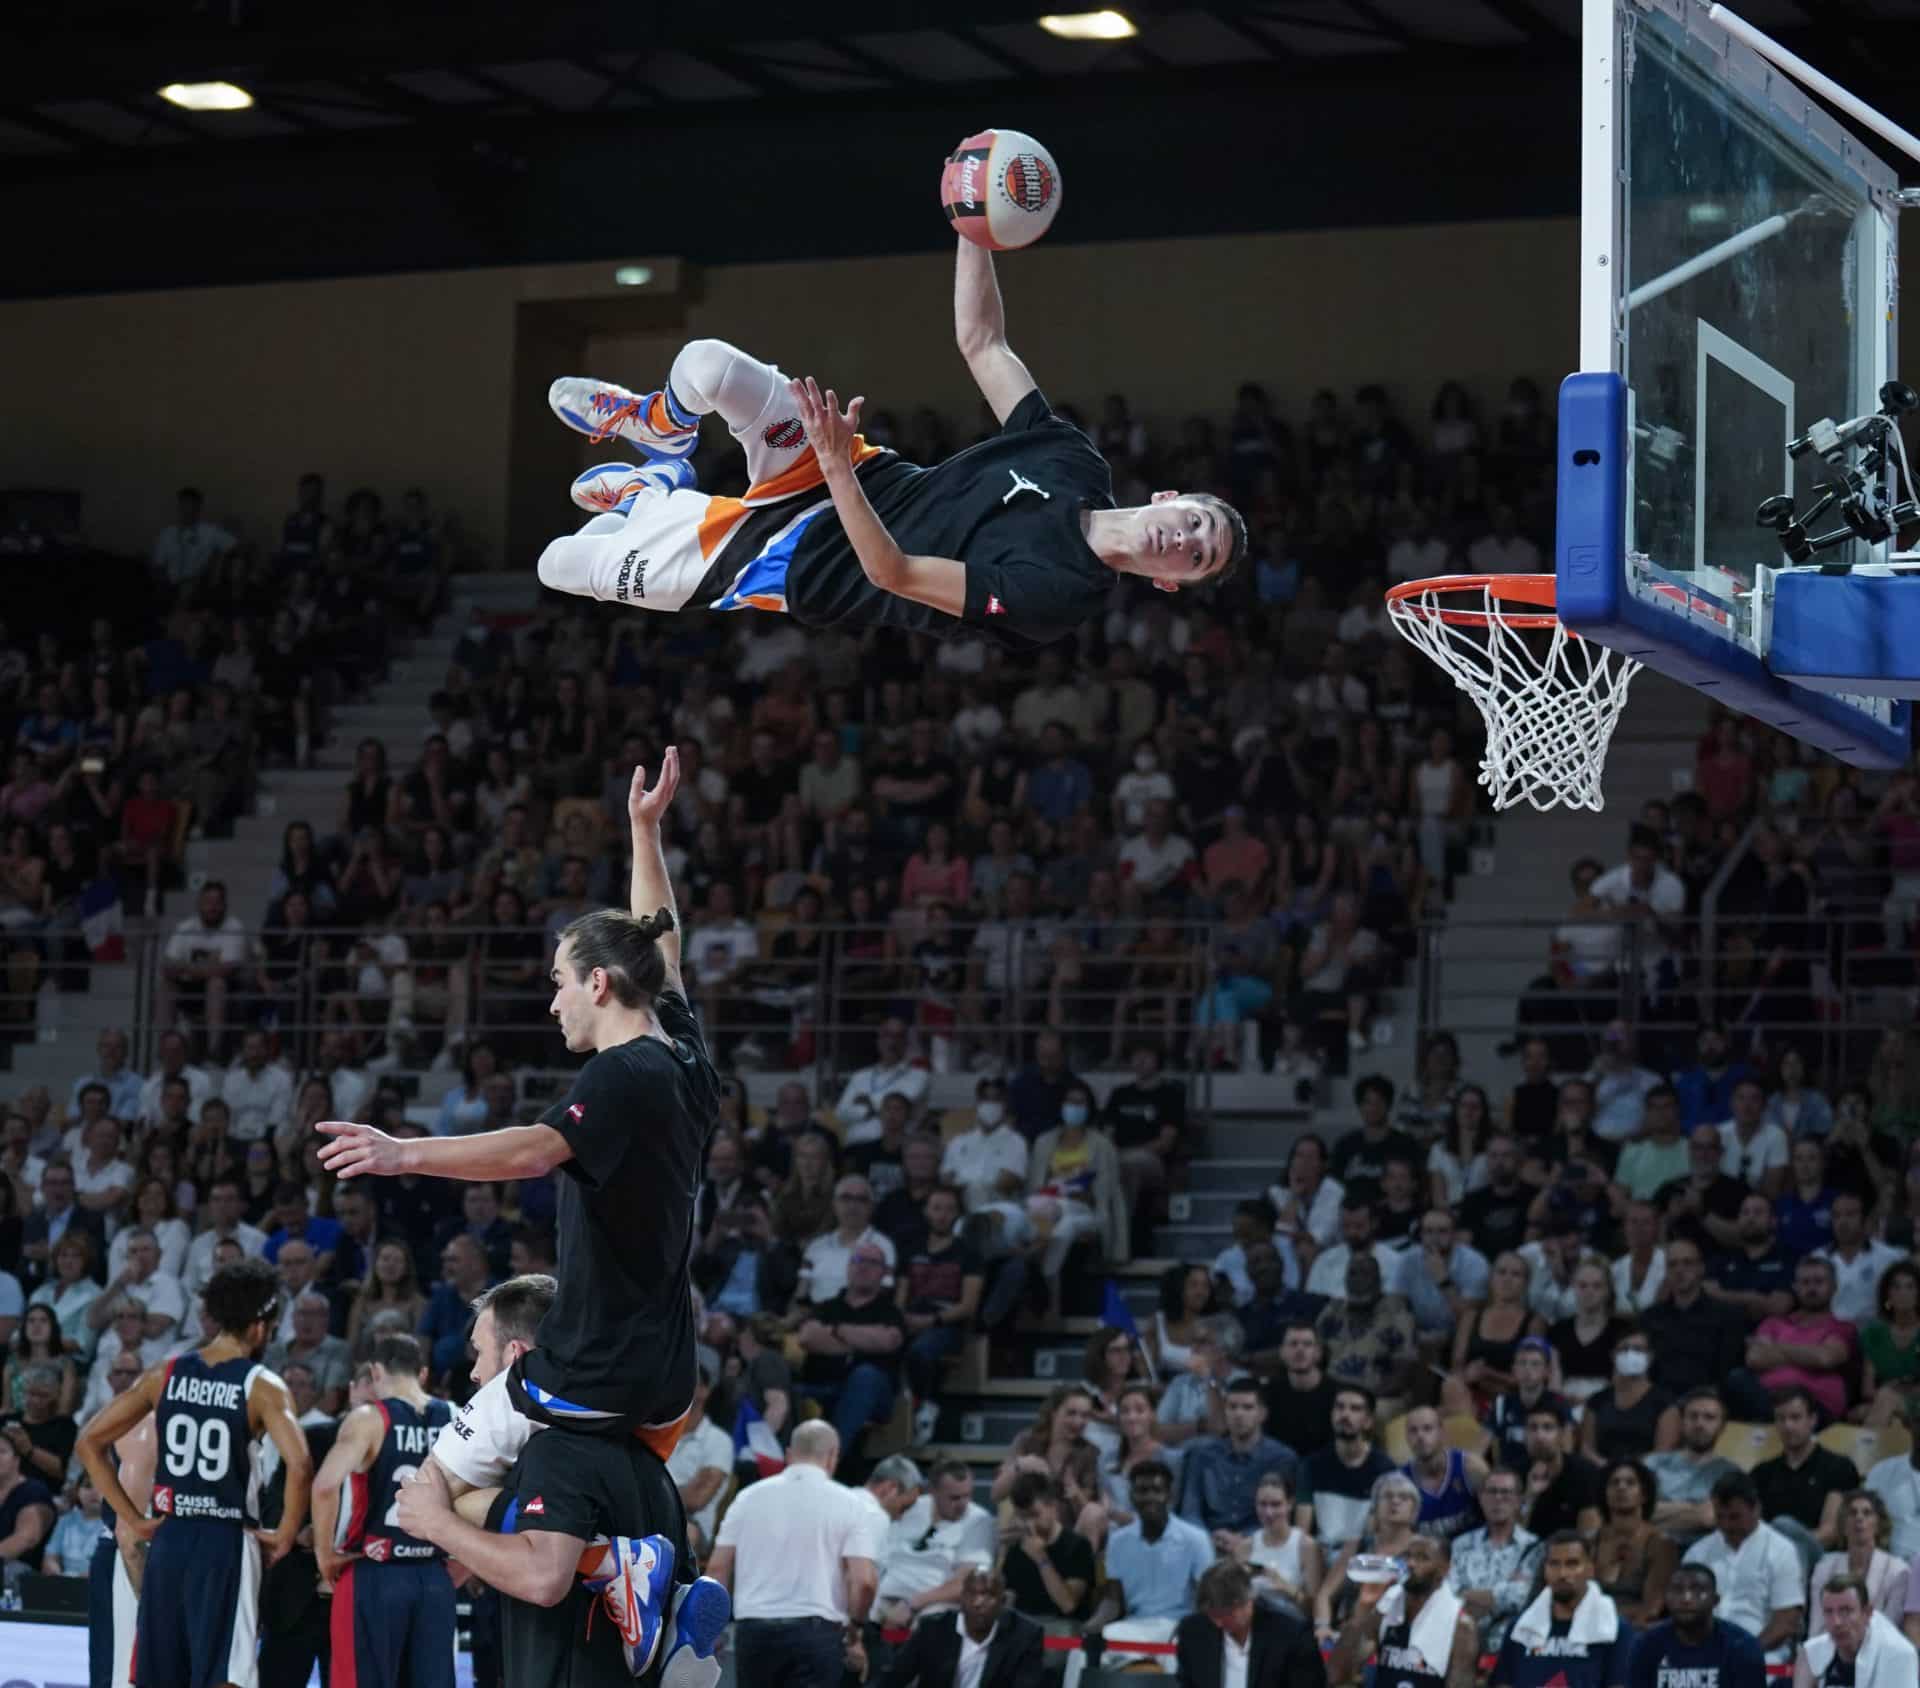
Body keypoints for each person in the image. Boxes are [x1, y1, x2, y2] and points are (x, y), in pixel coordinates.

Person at [317, 755, 724, 1652]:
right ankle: (629, 1564)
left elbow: (536, 1151)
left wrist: (400, 1152)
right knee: (502, 1483)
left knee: (423, 1489)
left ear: (598, 986)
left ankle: (603, 1569)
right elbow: (664, 941)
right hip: (665, 1382)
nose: (551, 1001)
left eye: (557, 981)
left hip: (589, 1370)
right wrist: (644, 832)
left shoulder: (621, 1075)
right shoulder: (688, 1058)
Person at [536, 245, 1246, 648]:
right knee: (707, 364)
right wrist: (973, 228)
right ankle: (662, 430)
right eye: (1195, 521)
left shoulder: (1062, 595)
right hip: (848, 469)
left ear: (1169, 583)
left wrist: (838, 466)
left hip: (804, 563)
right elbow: (984, 342)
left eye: (1196, 557)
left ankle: (648, 493)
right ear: (1169, 498)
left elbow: (895, 574)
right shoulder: (1072, 461)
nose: (1183, 539)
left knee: (559, 564)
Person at [76, 1260, 313, 1688]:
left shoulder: (163, 1374)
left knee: (162, 1673)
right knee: (226, 1674)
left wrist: (133, 1519)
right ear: (260, 1324)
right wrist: (285, 1533)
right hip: (225, 1540)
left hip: (169, 1538)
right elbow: (299, 1465)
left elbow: (89, 1443)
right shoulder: (262, 1384)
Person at [308, 1331, 454, 1688]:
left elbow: (325, 1486)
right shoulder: (457, 1416)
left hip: (375, 1572)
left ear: (375, 1372)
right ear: (423, 1373)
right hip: (434, 1574)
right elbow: (482, 1501)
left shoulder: (367, 1419)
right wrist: (460, 1565)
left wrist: (324, 1555)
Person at [1085, 1460, 1213, 1647]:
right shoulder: (1118, 1541)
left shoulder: (1196, 1539)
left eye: (1157, 1490)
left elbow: (1208, 1599)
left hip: (1179, 1626)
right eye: (1142, 1491)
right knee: (1083, 1650)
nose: (1149, 1498)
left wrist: (1192, 1628)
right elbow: (1113, 1600)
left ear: (1170, 1495)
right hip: (1134, 1626)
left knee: (1186, 1650)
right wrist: (1093, 1625)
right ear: (1132, 1496)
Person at [1327, 1533, 1478, 1688]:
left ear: (1444, 1570)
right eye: (1407, 1556)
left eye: (1423, 1558)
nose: (1411, 1563)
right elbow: (1336, 1675)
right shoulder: (1386, 1608)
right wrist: (1363, 1608)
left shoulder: (1459, 1626)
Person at [1681, 1473, 1805, 1660]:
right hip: (1704, 1650)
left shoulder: (1781, 1551)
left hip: (1763, 1652)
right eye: (1720, 1517)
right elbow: (1685, 1612)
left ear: (1756, 1509)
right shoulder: (1698, 1553)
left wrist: (1744, 1652)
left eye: (1735, 1517)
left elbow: (1786, 1622)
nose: (1726, 1525)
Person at [856, 1567, 1044, 1688]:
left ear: (1003, 1602)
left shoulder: (1025, 1636)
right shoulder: (934, 1628)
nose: (978, 1602)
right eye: (972, 1594)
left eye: (988, 1595)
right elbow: (894, 1677)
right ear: (961, 1598)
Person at [1493, 1531, 1636, 1688]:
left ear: (1590, 1569)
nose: (1562, 1573)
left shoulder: (1616, 1631)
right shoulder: (1520, 1629)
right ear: (1545, 1570)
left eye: (1572, 1564)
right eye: (1554, 1564)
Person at [874, 1459, 998, 1630]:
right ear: (933, 1491)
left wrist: (912, 1604)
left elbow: (965, 1583)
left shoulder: (979, 1521)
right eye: (954, 1497)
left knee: (930, 1624)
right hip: (885, 1594)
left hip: (932, 1602)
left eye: (968, 1495)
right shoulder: (912, 1506)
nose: (963, 1504)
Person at [1176, 1558, 1331, 1688]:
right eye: (1212, 1615)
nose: (1217, 1623)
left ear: (1247, 1602)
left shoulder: (1292, 1637)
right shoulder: (1193, 1632)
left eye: (1224, 1614)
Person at [1177, 1376, 1299, 1536]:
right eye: (1232, 1407)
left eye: (1247, 1408)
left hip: (1259, 1546)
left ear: (1262, 1414)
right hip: (1207, 1544)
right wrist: (1204, 1540)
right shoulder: (1201, 1455)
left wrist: (1244, 1541)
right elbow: (1190, 1511)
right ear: (1225, 1411)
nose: (1238, 1414)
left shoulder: (1282, 1458)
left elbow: (1279, 1514)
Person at [1625, 1563, 1766, 1688]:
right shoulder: (1646, 1645)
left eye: (1698, 1590)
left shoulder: (1742, 1646)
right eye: (1677, 1590)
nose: (1686, 1598)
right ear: (1666, 1599)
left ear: (1715, 1600)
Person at [1752, 1386, 1858, 1551]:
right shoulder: (1761, 1472)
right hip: (1769, 1557)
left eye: (1795, 1418)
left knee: (1783, 1524)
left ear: (1813, 1419)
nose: (1788, 1426)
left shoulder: (1838, 1467)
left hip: (1815, 1554)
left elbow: (1830, 1533)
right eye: (1781, 1418)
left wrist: (1784, 1550)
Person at [1451, 1466, 1542, 1653]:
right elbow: (1451, 1595)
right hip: (1463, 1641)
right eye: (1491, 1491)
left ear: (1519, 1500)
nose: (1498, 1498)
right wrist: (1504, 1593)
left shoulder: (1534, 1547)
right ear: (1481, 1498)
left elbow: (1526, 1596)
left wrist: (1472, 1595)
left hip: (1513, 1644)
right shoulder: (1461, 1545)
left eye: (1506, 1492)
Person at [1295, 1383, 1396, 1548]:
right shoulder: (1311, 1465)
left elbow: (1379, 1533)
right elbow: (1302, 1532)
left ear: (1369, 1421)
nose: (1345, 1414)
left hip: (1363, 1557)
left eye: (1355, 1409)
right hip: (1319, 1553)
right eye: (1339, 1407)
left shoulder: (1385, 1470)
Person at [1647, 1391, 1741, 1550]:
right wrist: (1695, 1509)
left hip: (1704, 1554)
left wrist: (1661, 1511)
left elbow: (1708, 1518)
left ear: (1722, 1426)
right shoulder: (1653, 1463)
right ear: (1683, 1422)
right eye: (1693, 1416)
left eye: (1709, 1417)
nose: (1699, 1424)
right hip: (1652, 1549)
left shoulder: (1731, 1473)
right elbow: (1639, 1511)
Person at [997, 1470, 1094, 1624]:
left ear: (1053, 1507)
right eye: (1022, 1517)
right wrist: (1002, 1552)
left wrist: (1041, 1558)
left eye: (1034, 1515)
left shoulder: (1079, 1546)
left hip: (1064, 1631)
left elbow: (1068, 1605)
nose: (1029, 1524)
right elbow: (1007, 1599)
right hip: (1025, 1628)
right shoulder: (1017, 1548)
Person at [1794, 1575, 1920, 1688]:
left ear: (1867, 1613)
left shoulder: (1900, 1655)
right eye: (1829, 1612)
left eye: (1846, 1611)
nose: (1837, 1622)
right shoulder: (1811, 1652)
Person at [1809, 1492, 1910, 1631]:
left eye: (1867, 1513)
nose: (1859, 1517)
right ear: (1843, 1525)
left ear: (1879, 1525)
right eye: (1852, 1513)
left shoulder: (1897, 1570)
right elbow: (1816, 1626)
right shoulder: (1824, 1568)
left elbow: (1890, 1628)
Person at [1594, 1460, 1676, 1628]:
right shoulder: (1592, 1541)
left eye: (1630, 1483)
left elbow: (1652, 1608)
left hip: (1634, 1630)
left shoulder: (1660, 1544)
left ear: (1644, 1494)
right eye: (1614, 1483)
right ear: (1605, 1493)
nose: (1621, 1487)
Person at [1401, 1404, 1488, 1543]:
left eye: (1427, 1428)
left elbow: (1497, 1515)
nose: (1420, 1436)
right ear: (1406, 1437)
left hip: (1472, 1553)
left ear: (1442, 1432)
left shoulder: (1471, 1467)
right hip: (1425, 1558)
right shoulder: (1400, 1481)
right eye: (1413, 1431)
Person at [1520, 1400, 1604, 1538]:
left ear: (1561, 1434)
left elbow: (1589, 1535)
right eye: (1533, 1428)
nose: (1540, 1436)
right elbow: (1509, 1537)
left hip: (1571, 1553)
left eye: (1548, 1428)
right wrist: (1529, 1498)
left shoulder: (1585, 1473)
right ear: (1525, 1435)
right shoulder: (1513, 1473)